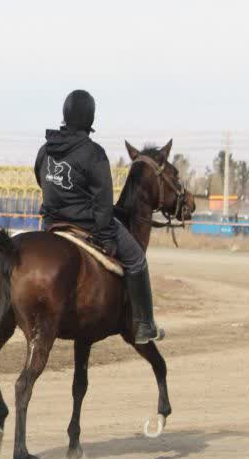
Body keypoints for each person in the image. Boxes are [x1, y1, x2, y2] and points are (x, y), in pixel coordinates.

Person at [34, 89, 162, 343]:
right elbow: (103, 205)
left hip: (51, 224)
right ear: (90, 118)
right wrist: (107, 237)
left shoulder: (45, 149)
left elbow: (40, 179)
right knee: (136, 258)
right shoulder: (93, 153)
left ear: (65, 115)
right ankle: (144, 325)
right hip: (85, 223)